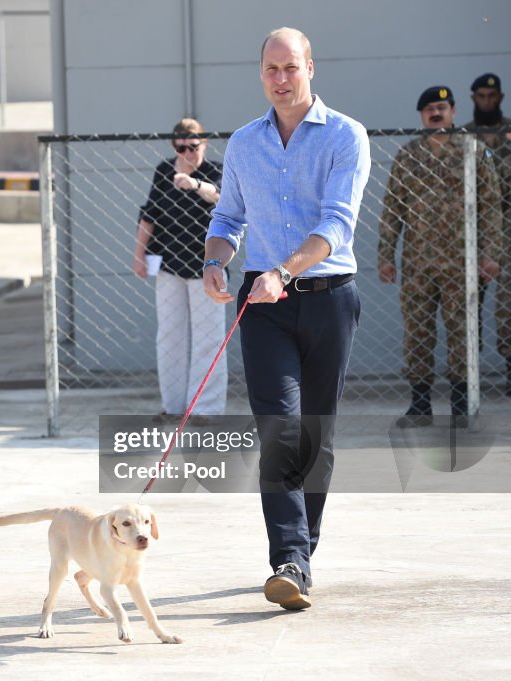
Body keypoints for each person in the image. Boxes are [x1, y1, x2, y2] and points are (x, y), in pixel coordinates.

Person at [203, 27, 370, 610]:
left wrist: (284, 270)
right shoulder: (246, 143)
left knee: (316, 436)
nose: (280, 79)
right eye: (271, 69)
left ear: (310, 68)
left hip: (329, 297)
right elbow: (227, 218)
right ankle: (289, 560)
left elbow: (336, 225)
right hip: (263, 306)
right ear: (261, 74)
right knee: (280, 428)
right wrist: (215, 261)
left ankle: (303, 552)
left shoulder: (345, 136)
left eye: (290, 68)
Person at [378, 86, 502, 424]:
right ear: (421, 114)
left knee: (462, 334)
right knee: (417, 333)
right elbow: (393, 210)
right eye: (430, 108)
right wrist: (386, 255)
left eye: (442, 107)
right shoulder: (409, 156)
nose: (436, 113)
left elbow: (491, 206)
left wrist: (491, 254)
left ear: (453, 112)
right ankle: (420, 404)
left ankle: (461, 404)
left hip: (462, 264)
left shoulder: (472, 151)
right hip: (418, 265)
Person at [132, 118, 224, 425]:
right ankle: (173, 406)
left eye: (193, 147)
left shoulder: (214, 171)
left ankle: (206, 409)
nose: (187, 153)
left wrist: (194, 184)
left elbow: (221, 197)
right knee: (169, 335)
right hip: (170, 264)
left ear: (204, 144)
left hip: (208, 267)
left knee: (208, 338)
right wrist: (139, 255)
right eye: (181, 147)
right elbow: (149, 214)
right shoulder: (164, 171)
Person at [465, 73, 511, 393]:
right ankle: (470, 370)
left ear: (500, 98)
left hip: (507, 222)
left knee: (507, 299)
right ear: (473, 99)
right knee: (469, 300)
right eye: (481, 96)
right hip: (472, 225)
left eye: (491, 97)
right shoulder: (465, 135)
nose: (486, 102)